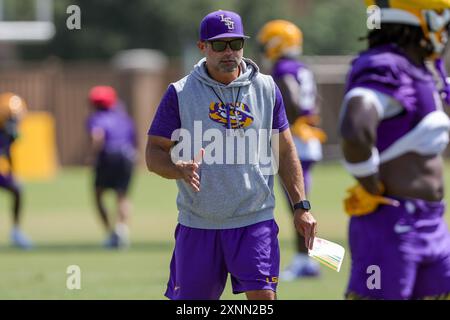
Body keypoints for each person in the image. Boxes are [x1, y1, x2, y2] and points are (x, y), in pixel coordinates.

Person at [146, 10, 318, 300]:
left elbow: (285, 150)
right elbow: (153, 153)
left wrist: (301, 205)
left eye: (236, 44)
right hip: (199, 224)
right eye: (219, 45)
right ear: (202, 47)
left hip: (255, 220)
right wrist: (178, 169)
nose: (229, 52)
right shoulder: (180, 92)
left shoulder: (266, 88)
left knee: (263, 300)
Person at [339, 0, 450, 299]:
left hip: (431, 221)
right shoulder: (386, 64)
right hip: (391, 224)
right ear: (419, 17)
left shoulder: (422, 70)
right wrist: (367, 178)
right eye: (441, 17)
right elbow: (354, 128)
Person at [257, 20, 326, 281]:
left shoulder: (283, 69)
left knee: (298, 206)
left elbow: (294, 102)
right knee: (298, 205)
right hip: (307, 140)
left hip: (293, 142)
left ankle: (306, 262)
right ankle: (307, 260)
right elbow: (314, 103)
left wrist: (287, 120)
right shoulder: (302, 67)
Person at [86, 86, 137, 249]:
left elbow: (97, 136)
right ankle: (122, 229)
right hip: (127, 156)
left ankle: (109, 233)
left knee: (98, 194)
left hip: (107, 156)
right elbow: (133, 139)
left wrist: (92, 156)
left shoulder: (96, 118)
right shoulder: (124, 118)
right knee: (122, 196)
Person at [0, 92, 33, 249]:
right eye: (12, 117)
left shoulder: (8, 134)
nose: (15, 121)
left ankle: (16, 231)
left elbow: (8, 154)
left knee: (17, 190)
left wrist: (13, 173)